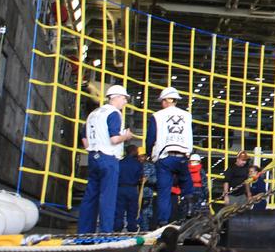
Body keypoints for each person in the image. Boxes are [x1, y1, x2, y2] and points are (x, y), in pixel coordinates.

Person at [77, 84, 136, 234]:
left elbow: (84, 138)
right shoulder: (114, 113)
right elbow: (115, 139)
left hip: (93, 157)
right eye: (124, 98)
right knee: (108, 198)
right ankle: (105, 232)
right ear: (116, 97)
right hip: (108, 158)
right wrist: (127, 136)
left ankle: (84, 233)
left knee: (90, 197)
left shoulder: (93, 114)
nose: (125, 102)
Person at [147, 86, 194, 226]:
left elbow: (151, 138)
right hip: (183, 155)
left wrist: (150, 154)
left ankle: (163, 222)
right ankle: (189, 211)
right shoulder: (187, 115)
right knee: (188, 186)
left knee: (164, 192)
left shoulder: (157, 116)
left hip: (165, 157)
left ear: (166, 100)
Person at [115, 144, 145, 232]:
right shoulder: (138, 164)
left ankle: (117, 227)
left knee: (119, 210)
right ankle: (132, 227)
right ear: (134, 152)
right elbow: (140, 177)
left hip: (120, 188)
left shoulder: (119, 163)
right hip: (132, 189)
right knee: (132, 210)